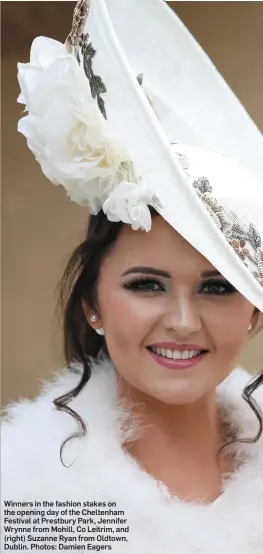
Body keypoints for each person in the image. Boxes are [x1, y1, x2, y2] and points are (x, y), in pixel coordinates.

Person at [1, 0, 263, 552]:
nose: (184, 321)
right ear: (92, 301)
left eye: (217, 287)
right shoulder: (32, 494)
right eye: (147, 284)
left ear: (254, 310)